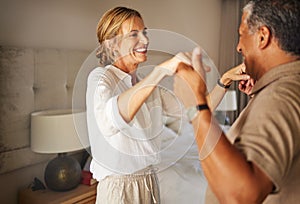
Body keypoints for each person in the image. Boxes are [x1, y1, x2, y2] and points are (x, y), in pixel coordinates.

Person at [86, 6, 249, 204]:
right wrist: (161, 70)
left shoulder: (146, 83)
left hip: (149, 182)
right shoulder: (101, 79)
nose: (145, 40)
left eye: (145, 33)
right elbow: (115, 117)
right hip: (120, 189)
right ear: (112, 45)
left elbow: (197, 107)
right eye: (134, 34)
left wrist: (224, 81)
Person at [174, 0, 300, 203]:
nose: (239, 47)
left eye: (242, 35)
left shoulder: (280, 94)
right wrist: (258, 99)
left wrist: (194, 104)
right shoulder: (284, 89)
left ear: (262, 37)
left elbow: (240, 195)